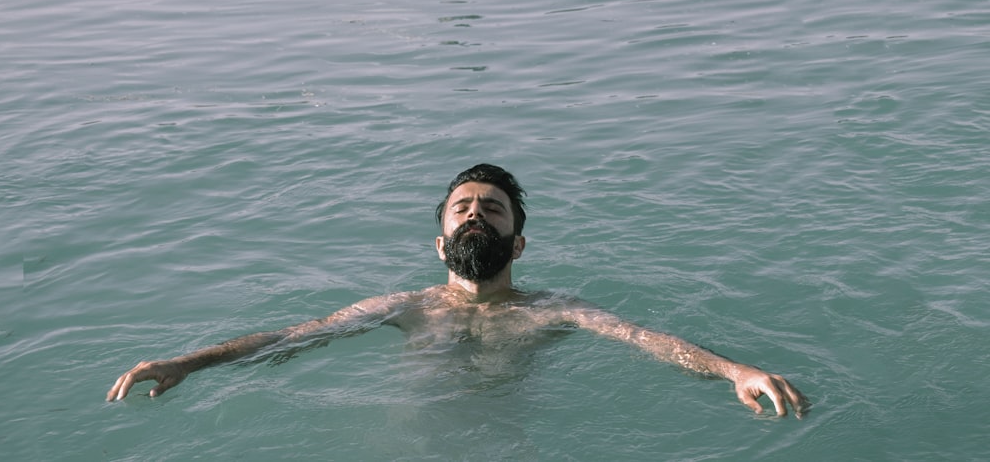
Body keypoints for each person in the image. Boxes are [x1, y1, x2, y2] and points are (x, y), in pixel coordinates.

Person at [107, 163, 809, 417]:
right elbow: (292, 338)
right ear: (442, 243)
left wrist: (733, 370)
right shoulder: (402, 308)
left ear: (519, 244)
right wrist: (188, 363)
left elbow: (644, 339)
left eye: (493, 208)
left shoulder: (554, 310)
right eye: (463, 208)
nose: (477, 212)